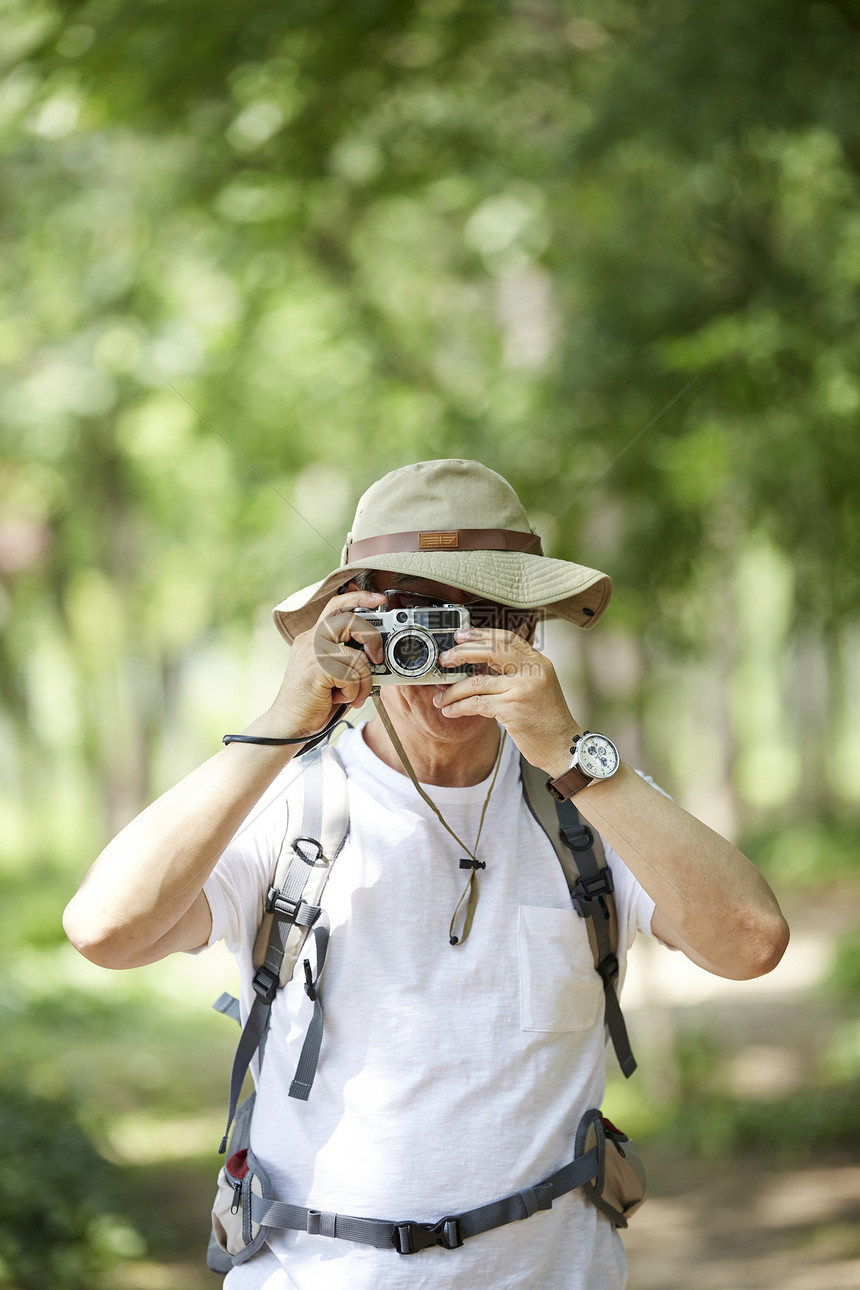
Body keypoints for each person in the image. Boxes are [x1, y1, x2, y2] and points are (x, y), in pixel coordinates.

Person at [63, 458, 789, 1290]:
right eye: (413, 619)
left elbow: (751, 944)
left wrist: (571, 756)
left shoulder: (591, 801)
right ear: (347, 629)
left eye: (480, 618)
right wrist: (281, 722)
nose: (444, 653)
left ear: (532, 630)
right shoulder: (286, 805)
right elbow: (104, 931)